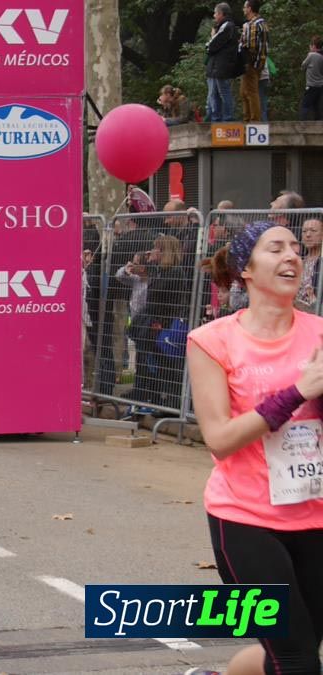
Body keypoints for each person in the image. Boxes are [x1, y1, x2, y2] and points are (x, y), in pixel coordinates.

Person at [184, 221, 323, 675]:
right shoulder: (212, 340)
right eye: (275, 248)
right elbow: (220, 439)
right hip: (245, 521)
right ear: (245, 268)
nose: (291, 256)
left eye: (296, 249)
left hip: (315, 514)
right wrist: (297, 393)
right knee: (298, 659)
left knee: (288, 652)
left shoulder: (320, 334)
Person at [205, 3, 239, 123]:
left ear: (221, 13)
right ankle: (216, 119)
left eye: (215, 13)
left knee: (224, 93)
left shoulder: (227, 26)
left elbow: (213, 44)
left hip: (222, 65)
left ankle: (228, 118)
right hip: (216, 66)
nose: (214, 16)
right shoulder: (222, 26)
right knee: (214, 95)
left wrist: (211, 39)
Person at [238, 0, 268, 123]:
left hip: (250, 63)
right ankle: (248, 118)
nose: (243, 9)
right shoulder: (263, 23)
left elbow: (251, 46)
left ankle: (254, 119)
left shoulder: (252, 25)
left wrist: (241, 46)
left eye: (245, 7)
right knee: (244, 92)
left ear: (250, 8)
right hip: (259, 63)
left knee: (250, 92)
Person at [302, 36, 323, 121]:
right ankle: (318, 124)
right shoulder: (321, 56)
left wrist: (310, 53)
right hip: (320, 85)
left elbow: (303, 65)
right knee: (316, 106)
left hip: (311, 85)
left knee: (305, 105)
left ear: (313, 46)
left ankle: (302, 124)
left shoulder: (311, 55)